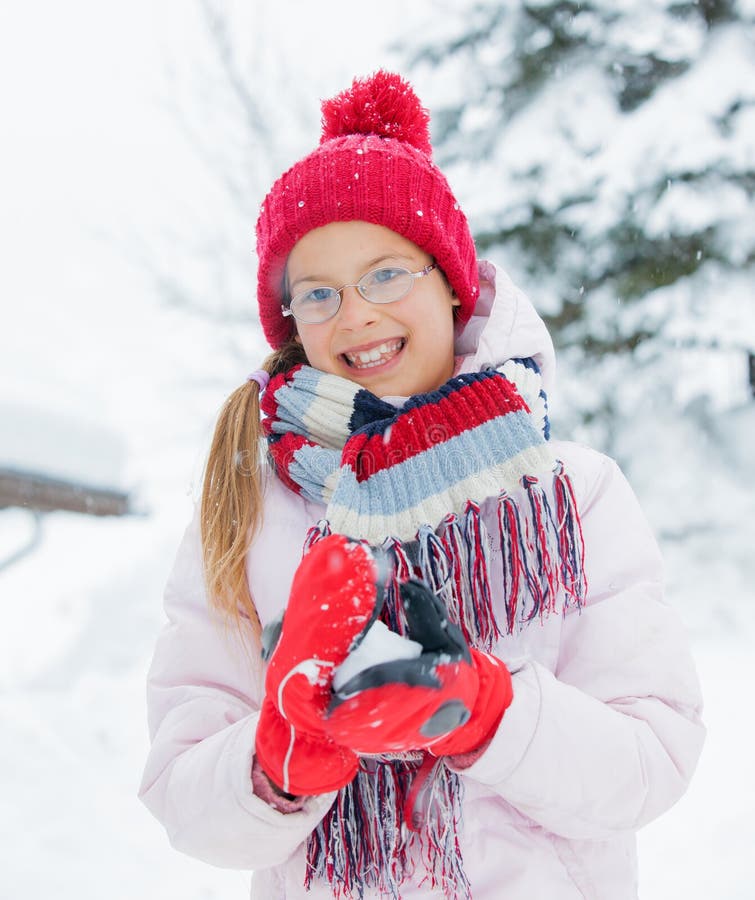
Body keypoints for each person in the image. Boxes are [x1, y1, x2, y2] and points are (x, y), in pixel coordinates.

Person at [139, 71, 705, 899]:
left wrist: (484, 710)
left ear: (449, 279)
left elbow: (650, 763)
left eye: (386, 274)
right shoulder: (250, 517)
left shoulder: (573, 494)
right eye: (319, 293)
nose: (356, 314)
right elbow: (182, 797)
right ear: (291, 321)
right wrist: (275, 764)